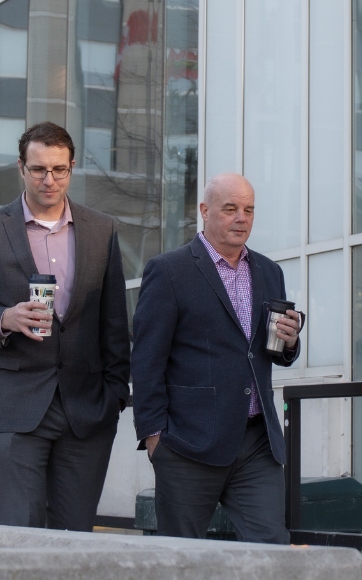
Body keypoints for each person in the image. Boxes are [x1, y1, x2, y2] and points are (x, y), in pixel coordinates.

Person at [0, 121, 130, 531]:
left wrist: (115, 395)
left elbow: (114, 320)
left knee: (75, 535)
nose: (49, 179)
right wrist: (3, 318)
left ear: (72, 167)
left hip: (87, 409)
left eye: (59, 169)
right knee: (19, 532)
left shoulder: (101, 230)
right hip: (14, 404)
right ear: (21, 168)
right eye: (39, 169)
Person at [131, 172, 302, 543]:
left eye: (249, 210)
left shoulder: (270, 272)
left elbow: (268, 351)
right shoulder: (169, 271)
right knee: (182, 558)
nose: (241, 218)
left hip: (257, 442)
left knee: (271, 549)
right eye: (230, 209)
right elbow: (146, 361)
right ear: (205, 211)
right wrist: (153, 436)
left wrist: (289, 343)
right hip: (189, 443)